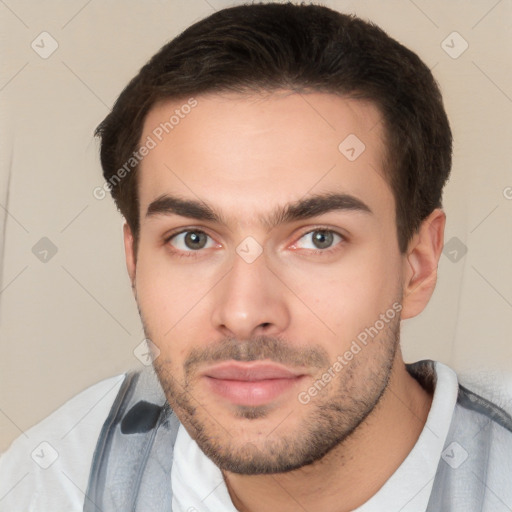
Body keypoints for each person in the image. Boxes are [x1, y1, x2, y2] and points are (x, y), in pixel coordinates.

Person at [1, 3, 511, 511]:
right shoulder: (54, 483)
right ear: (134, 261)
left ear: (417, 264)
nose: (244, 314)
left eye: (319, 239)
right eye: (193, 239)